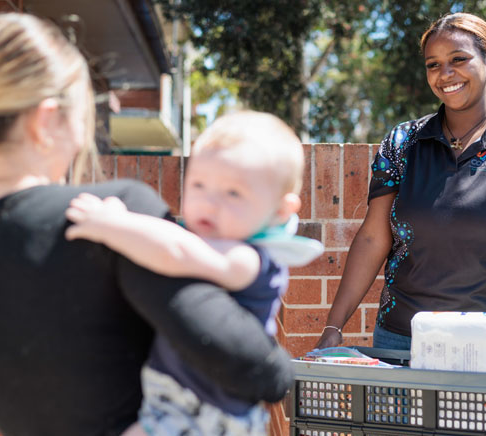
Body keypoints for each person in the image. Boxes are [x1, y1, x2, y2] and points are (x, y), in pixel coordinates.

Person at [0, 13, 293, 436]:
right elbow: (259, 372)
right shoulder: (114, 216)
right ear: (45, 121)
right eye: (82, 121)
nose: (82, 142)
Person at [315, 12, 486, 385]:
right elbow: (372, 238)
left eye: (458, 59)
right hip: (402, 342)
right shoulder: (402, 142)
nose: (445, 74)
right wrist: (334, 326)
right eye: (434, 64)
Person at [63, 111, 321, 436]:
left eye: (233, 193)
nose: (209, 203)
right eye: (198, 185)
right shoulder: (217, 241)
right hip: (180, 400)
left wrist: (112, 225)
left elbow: (174, 251)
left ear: (280, 211)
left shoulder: (249, 259)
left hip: (209, 413)